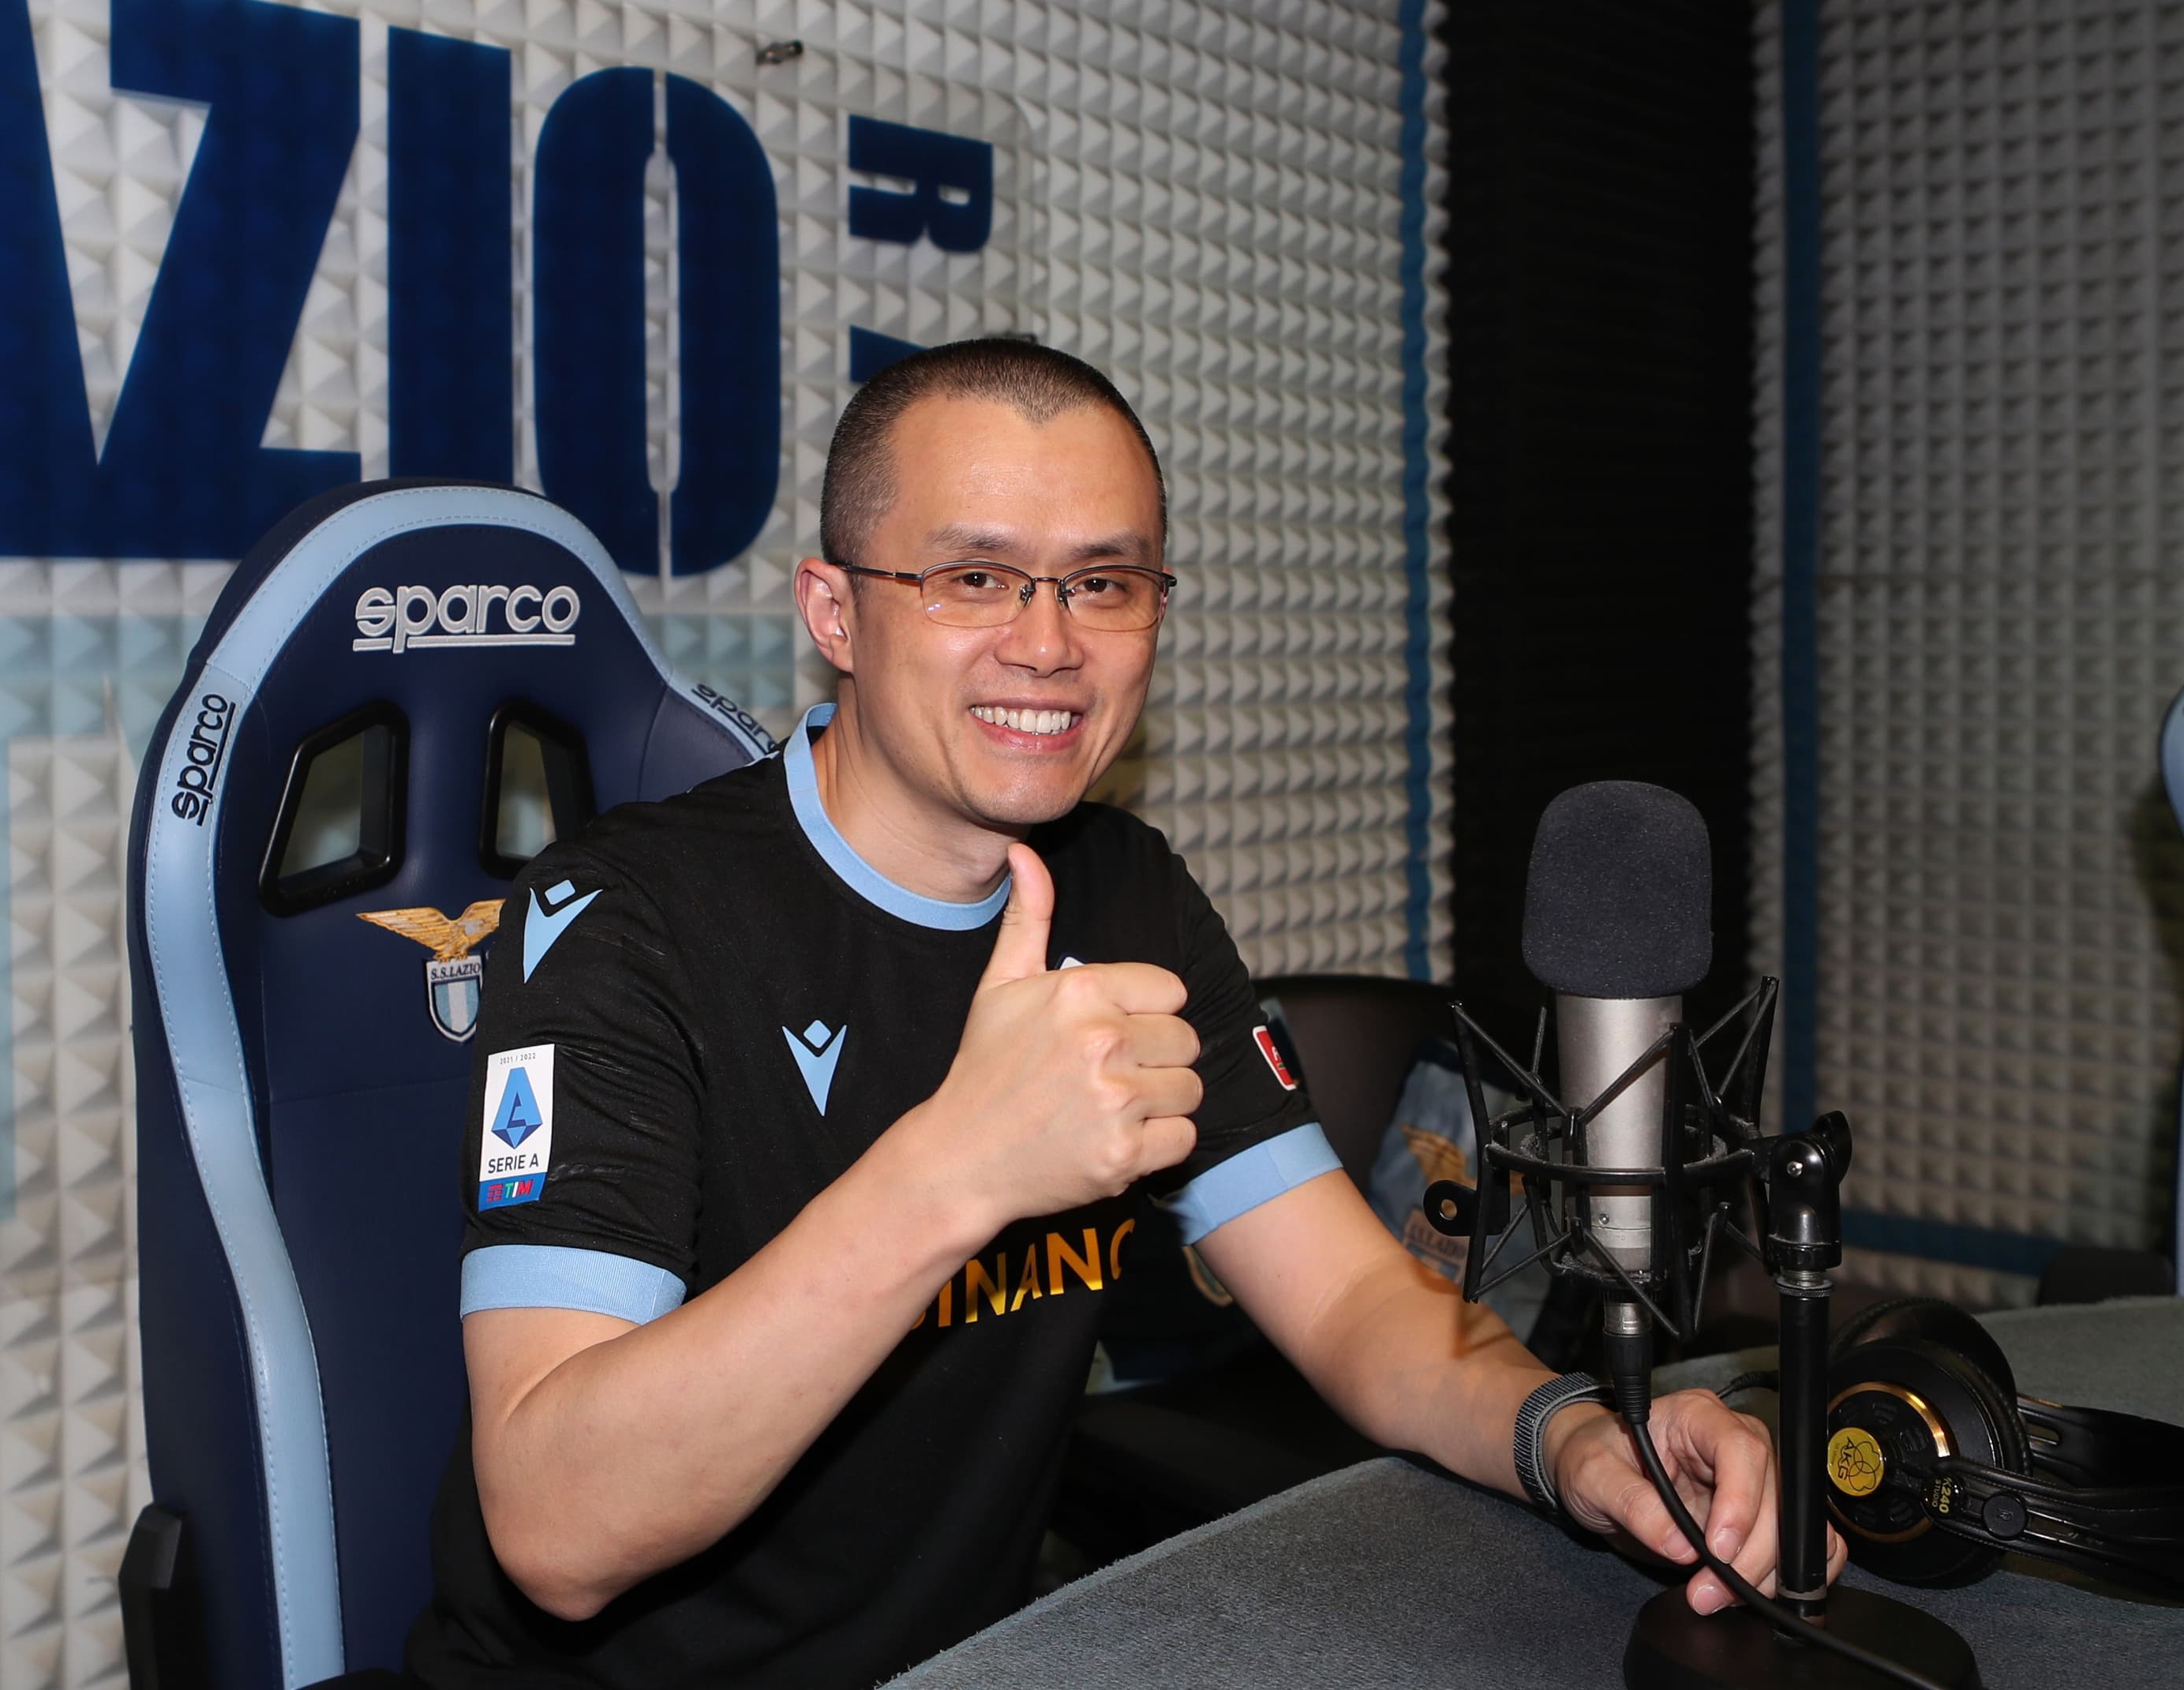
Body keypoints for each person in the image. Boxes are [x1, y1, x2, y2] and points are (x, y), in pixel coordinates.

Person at [404, 339, 1840, 1688]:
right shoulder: (625, 919)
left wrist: (1574, 1440)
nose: (1049, 645)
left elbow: (1347, 1296)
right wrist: (954, 1170)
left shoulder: (1127, 887)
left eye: (1103, 583)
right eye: (974, 577)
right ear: (835, 612)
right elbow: (558, 1533)